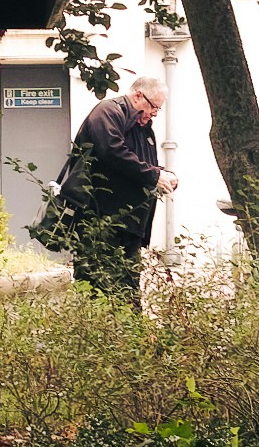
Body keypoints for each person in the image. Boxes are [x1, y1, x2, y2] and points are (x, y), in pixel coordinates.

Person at [42, 82, 174, 301]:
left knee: (128, 290)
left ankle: (130, 334)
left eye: (158, 109)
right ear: (138, 96)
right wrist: (154, 175)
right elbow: (112, 151)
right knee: (96, 288)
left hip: (130, 226)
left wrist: (164, 175)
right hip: (100, 219)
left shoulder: (143, 127)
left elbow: (143, 165)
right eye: (153, 107)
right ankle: (95, 333)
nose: (154, 114)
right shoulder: (108, 111)